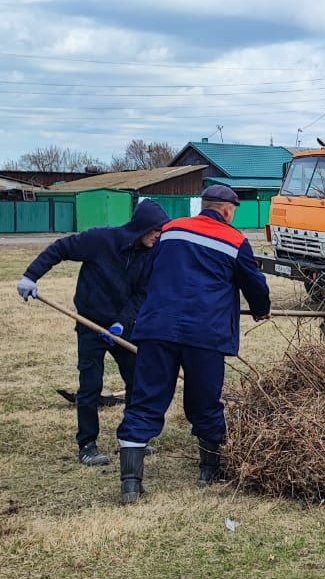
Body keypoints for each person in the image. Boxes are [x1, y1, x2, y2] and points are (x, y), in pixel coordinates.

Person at [115, 184, 271, 504]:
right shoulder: (235, 240)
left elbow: (147, 271)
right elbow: (254, 282)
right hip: (206, 334)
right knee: (205, 401)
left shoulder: (170, 231)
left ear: (203, 205)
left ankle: (130, 483)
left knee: (145, 400)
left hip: (157, 328)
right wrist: (260, 310)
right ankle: (208, 471)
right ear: (227, 210)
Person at [16, 199, 169, 466]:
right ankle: (87, 445)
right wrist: (31, 276)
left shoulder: (150, 256)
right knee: (90, 385)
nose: (158, 235)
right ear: (142, 227)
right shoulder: (101, 240)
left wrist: (121, 324)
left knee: (137, 382)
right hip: (89, 324)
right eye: (156, 230)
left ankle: (131, 439)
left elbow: (141, 294)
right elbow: (60, 249)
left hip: (124, 330)